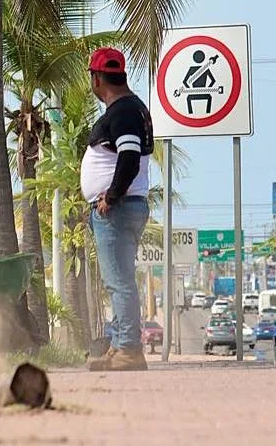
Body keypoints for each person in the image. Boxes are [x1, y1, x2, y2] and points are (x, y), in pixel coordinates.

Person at [82, 48, 154, 372]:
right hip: (124, 207)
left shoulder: (123, 111)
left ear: (97, 79)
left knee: (120, 282)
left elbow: (128, 158)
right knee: (120, 281)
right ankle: (120, 344)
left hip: (118, 209)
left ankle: (128, 348)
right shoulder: (129, 108)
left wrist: (110, 197)